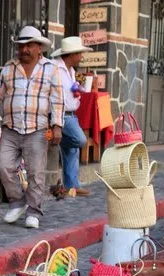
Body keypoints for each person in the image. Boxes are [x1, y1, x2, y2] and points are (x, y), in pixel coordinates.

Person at [0, 26, 64, 229]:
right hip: (10, 127)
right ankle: (18, 202)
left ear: (39, 48)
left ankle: (34, 211)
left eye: (29, 45)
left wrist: (57, 126)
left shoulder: (51, 69)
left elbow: (57, 101)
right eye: (21, 46)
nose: (24, 49)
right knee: (4, 166)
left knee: (36, 172)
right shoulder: (9, 68)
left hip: (37, 128)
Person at [52, 36, 93, 196]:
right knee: (80, 140)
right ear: (71, 54)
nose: (81, 57)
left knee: (72, 149)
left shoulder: (71, 71)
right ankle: (61, 140)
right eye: (79, 53)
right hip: (62, 115)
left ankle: (72, 186)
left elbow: (71, 91)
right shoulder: (55, 68)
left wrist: (79, 90)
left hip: (71, 114)